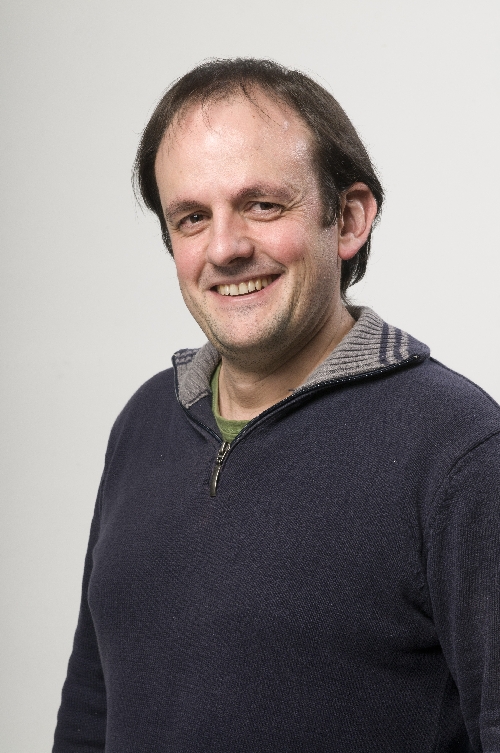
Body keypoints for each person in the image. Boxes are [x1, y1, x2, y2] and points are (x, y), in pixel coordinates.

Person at [53, 59, 500, 753]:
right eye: (192, 218)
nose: (225, 248)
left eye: (262, 205)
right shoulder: (144, 423)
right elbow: (91, 705)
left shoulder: (460, 453)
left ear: (347, 219)